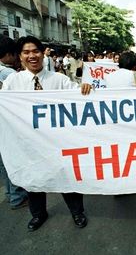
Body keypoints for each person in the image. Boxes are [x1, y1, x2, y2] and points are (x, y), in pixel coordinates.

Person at [2, 36, 92, 231]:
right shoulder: (12, 82)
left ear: (43, 53)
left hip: (59, 143)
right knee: (34, 179)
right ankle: (38, 214)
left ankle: (77, 212)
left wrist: (86, 89)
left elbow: (79, 98)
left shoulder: (59, 80)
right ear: (20, 56)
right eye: (26, 52)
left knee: (67, 178)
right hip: (28, 144)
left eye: (35, 51)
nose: (32, 56)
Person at [0, 35, 28, 210]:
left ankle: (11, 194)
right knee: (13, 156)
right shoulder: (8, 74)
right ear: (9, 54)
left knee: (4, 160)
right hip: (8, 124)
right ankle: (17, 195)